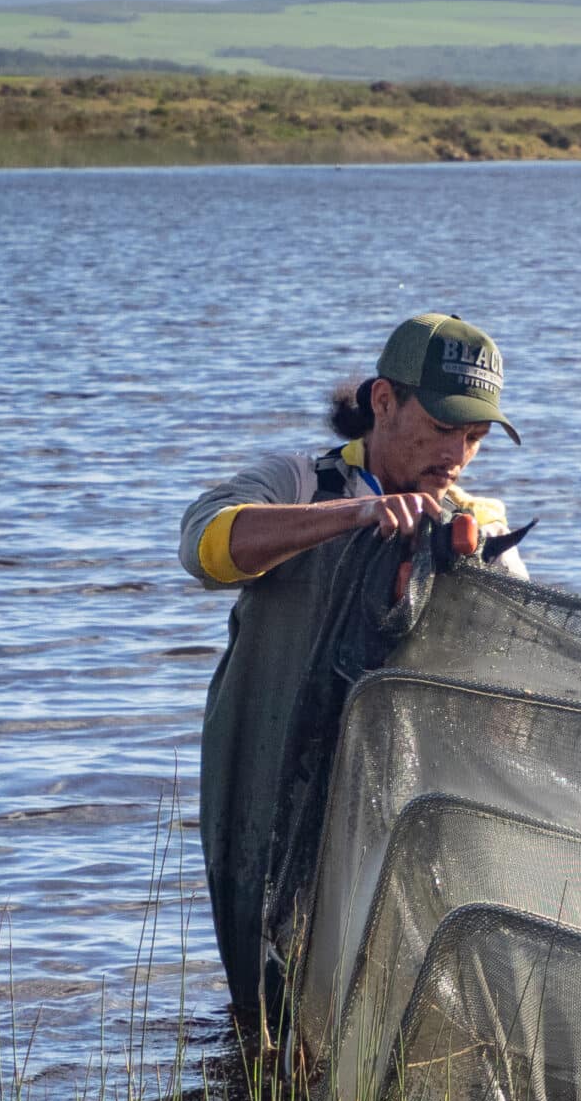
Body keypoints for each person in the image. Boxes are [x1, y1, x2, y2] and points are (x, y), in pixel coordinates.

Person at [178, 311, 525, 1021]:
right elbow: (205, 547)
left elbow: (519, 690)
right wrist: (356, 517)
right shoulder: (299, 480)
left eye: (475, 435)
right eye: (442, 426)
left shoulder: (481, 525)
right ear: (384, 402)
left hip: (404, 801)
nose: (457, 452)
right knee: (266, 1014)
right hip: (267, 787)